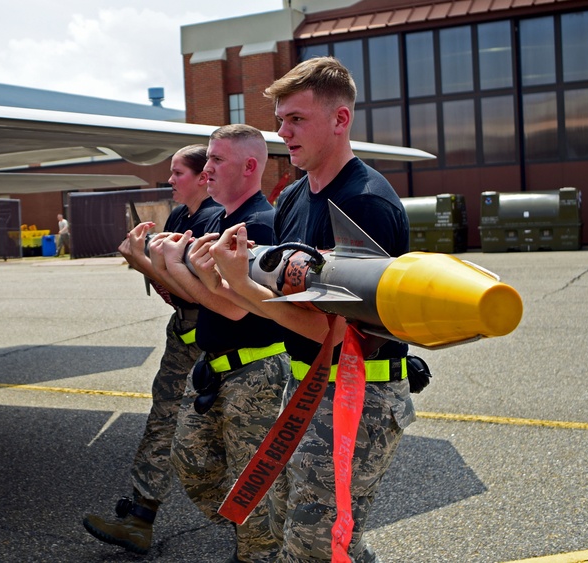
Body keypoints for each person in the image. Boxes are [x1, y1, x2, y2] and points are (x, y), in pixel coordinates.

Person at [208, 56, 415, 563]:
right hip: (302, 384)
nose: (283, 132)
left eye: (295, 119)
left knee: (312, 549)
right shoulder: (296, 195)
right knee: (288, 527)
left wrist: (239, 283)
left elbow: (340, 332)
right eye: (280, 121)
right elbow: (283, 290)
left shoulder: (366, 204)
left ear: (340, 120)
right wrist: (231, 275)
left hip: (355, 395)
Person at [152, 124, 295, 563]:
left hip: (257, 374)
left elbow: (236, 309)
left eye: (216, 160)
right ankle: (267, 535)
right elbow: (205, 296)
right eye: (208, 159)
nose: (206, 168)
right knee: (191, 462)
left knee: (250, 485)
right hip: (217, 368)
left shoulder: (261, 226)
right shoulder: (223, 220)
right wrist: (165, 264)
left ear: (249, 166)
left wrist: (176, 267)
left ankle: (262, 548)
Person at [82, 145, 221, 555]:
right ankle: (140, 518)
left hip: (207, 336)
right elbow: (174, 288)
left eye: (178, 173)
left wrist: (145, 264)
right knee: (163, 420)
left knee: (206, 436)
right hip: (183, 329)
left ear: (202, 177)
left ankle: (265, 531)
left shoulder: (214, 219)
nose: (170, 181)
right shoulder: (182, 217)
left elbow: (199, 292)